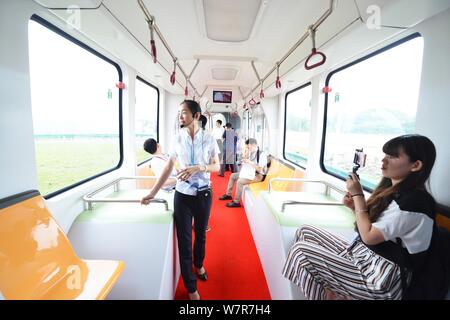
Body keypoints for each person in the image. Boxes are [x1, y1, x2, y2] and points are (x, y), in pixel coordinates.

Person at [282, 134, 449, 300]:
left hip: (382, 279)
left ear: (416, 165)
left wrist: (358, 196)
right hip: (366, 258)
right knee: (305, 231)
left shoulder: (415, 203)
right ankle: (331, 291)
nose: (384, 160)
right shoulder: (395, 193)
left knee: (301, 252)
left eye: (392, 156)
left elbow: (369, 236)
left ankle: (331, 293)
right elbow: (374, 226)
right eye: (385, 155)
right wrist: (355, 206)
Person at [141, 100, 220, 301]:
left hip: (203, 195)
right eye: (179, 113)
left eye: (184, 112)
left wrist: (199, 168)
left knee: (201, 235)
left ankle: (199, 264)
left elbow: (217, 167)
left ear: (196, 115)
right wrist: (153, 193)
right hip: (182, 196)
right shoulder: (176, 139)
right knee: (184, 241)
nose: (180, 116)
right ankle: (191, 287)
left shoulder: (209, 139)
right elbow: (168, 167)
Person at [219, 138, 268, 208]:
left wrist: (250, 162)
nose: (248, 149)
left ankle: (236, 201)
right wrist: (244, 161)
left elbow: (260, 169)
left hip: (258, 175)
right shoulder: (251, 153)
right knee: (233, 176)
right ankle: (228, 195)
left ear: (253, 145)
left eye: (249, 147)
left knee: (240, 181)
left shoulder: (262, 154)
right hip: (250, 173)